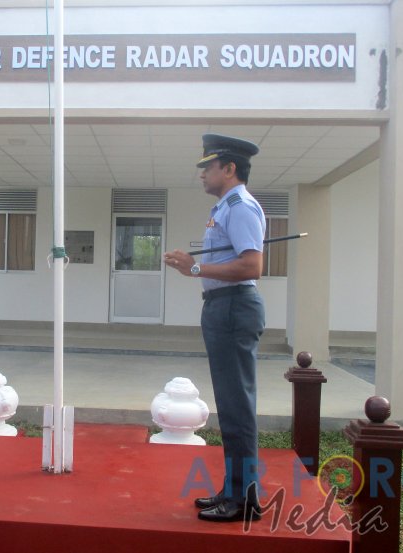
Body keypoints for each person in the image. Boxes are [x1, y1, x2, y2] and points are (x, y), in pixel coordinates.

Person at [163, 134, 266, 522]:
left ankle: (243, 500)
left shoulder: (240, 206)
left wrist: (195, 267)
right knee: (231, 404)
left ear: (229, 169)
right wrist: (196, 267)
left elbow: (251, 266)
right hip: (224, 307)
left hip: (234, 306)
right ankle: (235, 490)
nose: (203, 173)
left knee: (238, 407)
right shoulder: (225, 207)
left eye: (208, 166)